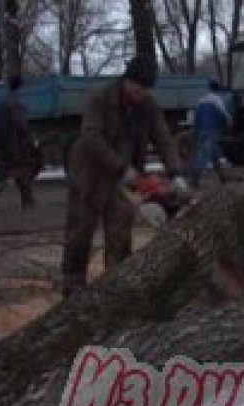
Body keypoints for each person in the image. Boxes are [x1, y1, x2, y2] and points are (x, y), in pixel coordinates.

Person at [61, 54, 188, 295]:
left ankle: (116, 289)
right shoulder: (100, 98)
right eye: (139, 88)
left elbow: (163, 138)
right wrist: (122, 168)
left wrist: (175, 172)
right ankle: (73, 287)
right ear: (128, 81)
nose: (143, 93)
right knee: (80, 233)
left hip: (122, 180)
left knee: (120, 233)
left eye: (146, 89)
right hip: (90, 174)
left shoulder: (147, 105)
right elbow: (91, 138)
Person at [0, 75, 42, 212]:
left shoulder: (2, 105)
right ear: (21, 88)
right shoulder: (18, 106)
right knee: (13, 173)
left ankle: (27, 200)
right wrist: (31, 141)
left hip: (5, 146)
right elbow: (22, 127)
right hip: (17, 147)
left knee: (16, 174)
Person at [191, 80, 232, 188]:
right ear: (218, 89)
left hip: (201, 129)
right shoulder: (218, 100)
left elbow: (196, 116)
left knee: (213, 154)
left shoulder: (201, 100)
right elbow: (225, 115)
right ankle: (196, 176)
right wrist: (228, 126)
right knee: (204, 153)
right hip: (212, 129)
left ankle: (222, 177)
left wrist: (195, 130)